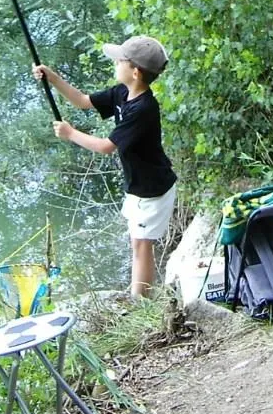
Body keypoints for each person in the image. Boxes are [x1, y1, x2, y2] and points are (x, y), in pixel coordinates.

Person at [32, 36, 176, 299]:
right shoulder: (123, 92)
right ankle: (141, 297)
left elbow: (106, 146)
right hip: (139, 187)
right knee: (137, 243)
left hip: (152, 191)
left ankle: (139, 304)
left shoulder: (143, 108)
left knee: (142, 247)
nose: (115, 62)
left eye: (120, 60)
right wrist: (52, 78)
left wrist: (70, 133)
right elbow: (84, 101)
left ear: (135, 72)